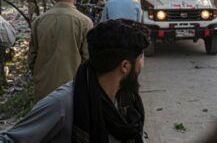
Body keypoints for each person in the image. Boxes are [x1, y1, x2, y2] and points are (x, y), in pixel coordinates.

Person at [0, 19, 150, 142]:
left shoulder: (125, 100)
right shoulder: (62, 105)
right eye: (141, 58)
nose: (143, 64)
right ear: (125, 66)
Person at [28, 0, 93, 102]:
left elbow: (31, 59)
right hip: (72, 91)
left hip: (43, 92)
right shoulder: (85, 22)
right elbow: (88, 60)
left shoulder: (39, 21)